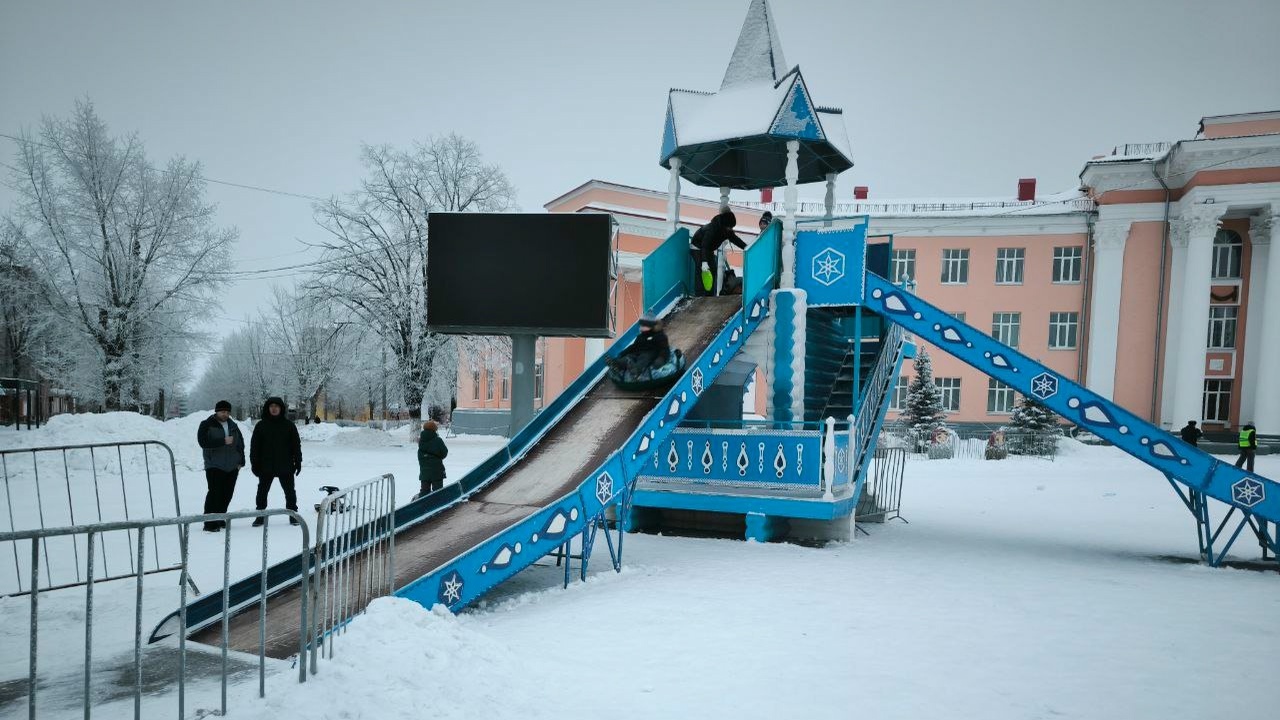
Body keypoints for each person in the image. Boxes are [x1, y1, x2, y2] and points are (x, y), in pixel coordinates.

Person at [249, 397, 303, 526]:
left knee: (290, 492)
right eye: (271, 406)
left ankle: (292, 515)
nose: (274, 408)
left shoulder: (289, 425)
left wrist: (298, 461)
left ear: (281, 408)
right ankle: (260, 515)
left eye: (276, 406)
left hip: (285, 465)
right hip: (265, 465)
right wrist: (254, 463)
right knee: (262, 491)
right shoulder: (261, 425)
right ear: (268, 408)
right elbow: (254, 446)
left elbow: (296, 445)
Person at [196, 400, 245, 532]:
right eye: (223, 411)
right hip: (214, 465)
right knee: (214, 493)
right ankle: (209, 522)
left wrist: (241, 461)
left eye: (228, 412)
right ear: (216, 411)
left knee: (227, 493)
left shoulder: (233, 425)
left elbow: (240, 443)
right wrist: (222, 441)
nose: (225, 414)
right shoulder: (206, 424)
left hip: (232, 466)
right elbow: (203, 442)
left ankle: (220, 517)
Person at [690, 209, 747, 295]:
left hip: (708, 249)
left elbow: (736, 240)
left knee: (713, 269)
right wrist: (704, 262)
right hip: (697, 247)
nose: (730, 229)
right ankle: (699, 295)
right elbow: (704, 246)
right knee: (702, 270)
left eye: (731, 227)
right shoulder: (712, 228)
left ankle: (709, 295)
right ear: (725, 224)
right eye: (729, 227)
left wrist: (747, 247)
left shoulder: (727, 230)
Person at [417, 420, 449, 496]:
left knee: (424, 493)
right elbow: (444, 452)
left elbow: (420, 455)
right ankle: (438, 506)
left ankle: (423, 506)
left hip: (424, 472)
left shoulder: (421, 441)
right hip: (437, 471)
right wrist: (437, 458)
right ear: (434, 429)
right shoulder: (438, 440)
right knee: (438, 494)